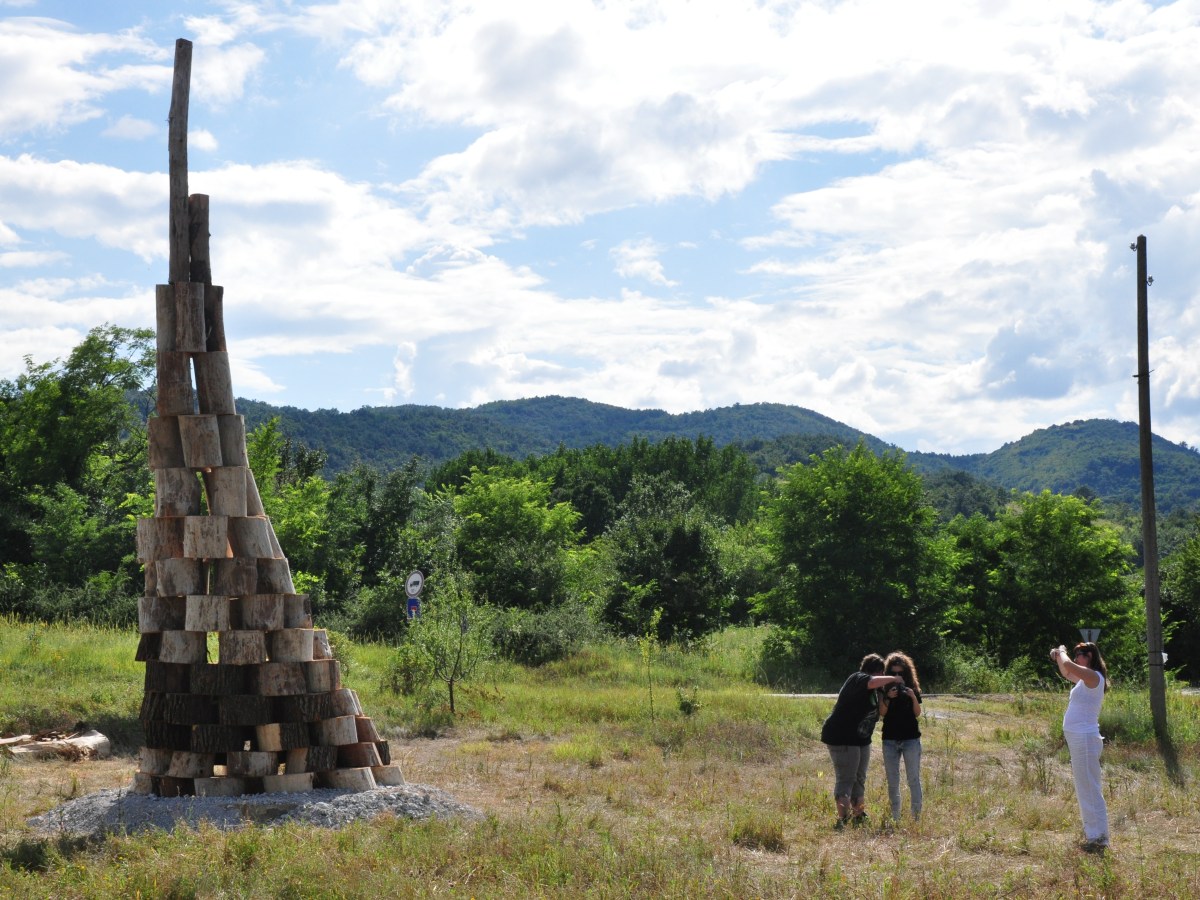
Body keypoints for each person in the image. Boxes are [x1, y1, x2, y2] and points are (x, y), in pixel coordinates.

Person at [820, 653, 905, 829]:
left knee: (859, 778)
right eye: (882, 673)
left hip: (861, 739)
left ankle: (858, 814)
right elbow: (872, 681)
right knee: (846, 778)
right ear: (875, 671)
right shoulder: (858, 678)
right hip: (842, 736)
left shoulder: (876, 690)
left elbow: (881, 711)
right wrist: (895, 678)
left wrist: (887, 695)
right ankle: (843, 819)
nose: (884, 676)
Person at [1050, 641, 1110, 853]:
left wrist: (1062, 651)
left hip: (1085, 739)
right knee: (1084, 787)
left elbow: (1070, 666)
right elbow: (1067, 672)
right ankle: (1093, 834)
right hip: (1080, 739)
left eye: (1079, 655)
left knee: (1090, 788)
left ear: (1089, 656)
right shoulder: (1085, 679)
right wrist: (1059, 657)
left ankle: (1099, 837)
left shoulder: (1094, 677)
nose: (1076, 659)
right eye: (1074, 655)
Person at [879, 651, 923, 822]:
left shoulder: (912, 688)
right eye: (894, 673)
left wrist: (912, 696)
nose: (897, 677)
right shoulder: (884, 688)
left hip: (911, 738)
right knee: (893, 780)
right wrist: (888, 697)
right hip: (890, 739)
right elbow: (882, 713)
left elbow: (917, 713)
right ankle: (895, 817)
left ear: (906, 673)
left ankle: (916, 817)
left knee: (913, 778)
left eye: (900, 673)